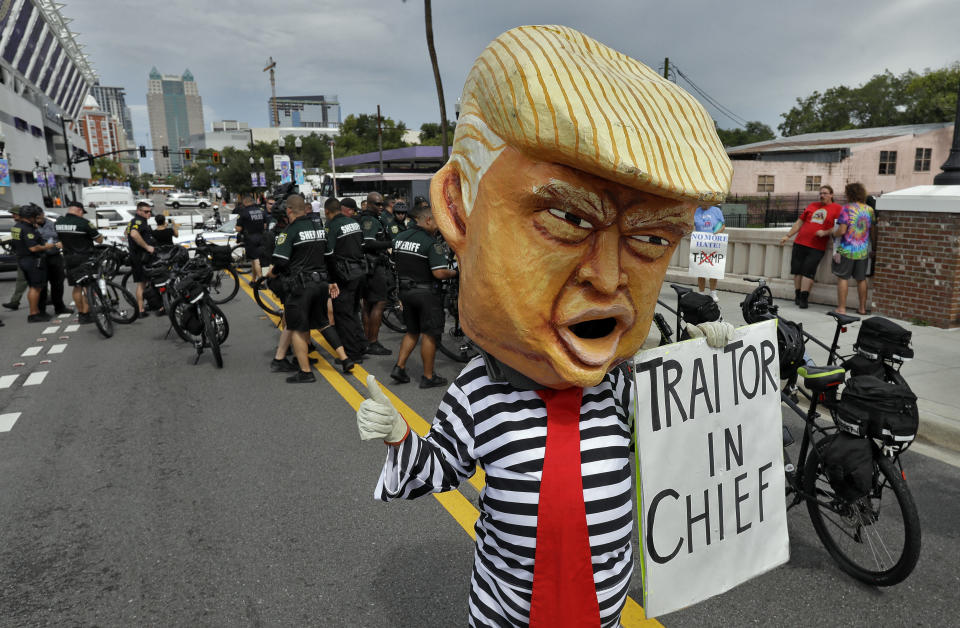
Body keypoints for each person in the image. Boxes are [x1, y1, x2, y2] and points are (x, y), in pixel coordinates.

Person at [354, 25, 734, 627]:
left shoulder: (622, 386)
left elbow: (696, 454)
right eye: (565, 217)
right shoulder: (481, 394)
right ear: (458, 207)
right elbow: (436, 469)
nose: (608, 279)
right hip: (509, 616)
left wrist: (711, 366)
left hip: (603, 613)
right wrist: (398, 437)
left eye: (652, 238)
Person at [266, 194, 354, 382]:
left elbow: (280, 261)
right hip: (321, 283)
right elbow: (329, 256)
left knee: (297, 327)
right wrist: (330, 280)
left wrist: (271, 275)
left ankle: (305, 372)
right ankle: (345, 359)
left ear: (289, 210)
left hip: (300, 287)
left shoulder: (290, 230)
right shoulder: (319, 227)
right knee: (322, 322)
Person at [389, 202, 458, 387]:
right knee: (429, 334)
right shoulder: (430, 243)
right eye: (437, 222)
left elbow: (393, 262)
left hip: (405, 292)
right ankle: (428, 376)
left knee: (412, 331)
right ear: (428, 220)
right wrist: (457, 272)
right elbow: (440, 273)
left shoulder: (400, 238)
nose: (439, 226)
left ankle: (399, 367)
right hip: (427, 295)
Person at [780, 185, 841, 309]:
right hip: (800, 242)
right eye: (821, 193)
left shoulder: (837, 208)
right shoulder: (812, 205)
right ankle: (797, 295)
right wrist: (788, 235)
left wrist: (825, 232)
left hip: (816, 247)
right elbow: (799, 222)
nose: (822, 195)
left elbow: (839, 227)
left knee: (808, 273)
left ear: (831, 195)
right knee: (797, 272)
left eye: (825, 193)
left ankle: (804, 298)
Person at [325, 197, 368, 361]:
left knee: (343, 314)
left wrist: (330, 279)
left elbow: (328, 254)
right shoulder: (354, 223)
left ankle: (352, 352)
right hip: (360, 271)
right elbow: (362, 245)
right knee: (353, 311)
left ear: (327, 211)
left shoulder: (331, 226)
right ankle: (361, 344)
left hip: (343, 275)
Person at [55, 200, 104, 324]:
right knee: (88, 286)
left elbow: (60, 241)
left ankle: (82, 314)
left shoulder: (58, 222)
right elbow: (99, 240)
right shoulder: (84, 223)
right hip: (85, 258)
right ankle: (88, 312)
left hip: (69, 259)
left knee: (77, 287)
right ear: (79, 210)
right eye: (83, 213)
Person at [832, 182, 875, 315]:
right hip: (862, 251)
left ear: (850, 194)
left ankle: (842, 308)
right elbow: (873, 231)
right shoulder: (869, 210)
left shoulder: (846, 208)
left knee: (843, 278)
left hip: (847, 250)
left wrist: (833, 233)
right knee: (861, 279)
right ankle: (862, 308)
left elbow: (842, 230)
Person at [358, 191, 392, 355]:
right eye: (377, 204)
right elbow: (369, 243)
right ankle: (372, 341)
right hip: (373, 267)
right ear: (369, 204)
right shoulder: (369, 221)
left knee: (368, 304)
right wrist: (390, 243)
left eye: (382, 204)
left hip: (369, 267)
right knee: (379, 303)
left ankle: (367, 340)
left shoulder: (370, 218)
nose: (381, 207)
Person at [10, 205, 58, 322]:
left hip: (23, 260)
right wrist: (47, 246)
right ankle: (34, 314)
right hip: (32, 260)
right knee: (35, 288)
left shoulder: (17, 227)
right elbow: (33, 248)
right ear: (29, 217)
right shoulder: (27, 229)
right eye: (34, 217)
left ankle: (35, 311)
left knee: (33, 287)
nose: (35, 219)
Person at [34, 208, 72, 315]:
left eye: (39, 217)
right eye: (36, 218)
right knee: (42, 286)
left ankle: (59, 307)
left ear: (43, 214)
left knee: (58, 284)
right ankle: (41, 311)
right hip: (40, 258)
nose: (38, 220)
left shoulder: (52, 224)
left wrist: (61, 242)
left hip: (54, 257)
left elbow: (62, 237)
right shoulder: (32, 227)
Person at [126, 201, 158, 316]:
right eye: (146, 211)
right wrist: (146, 246)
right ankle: (140, 310)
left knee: (146, 282)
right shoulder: (138, 221)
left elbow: (127, 232)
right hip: (141, 257)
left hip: (140, 256)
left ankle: (150, 304)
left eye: (150, 211)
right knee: (142, 284)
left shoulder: (137, 221)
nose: (149, 214)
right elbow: (134, 234)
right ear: (138, 211)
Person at [693, 204, 726, 301]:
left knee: (713, 269)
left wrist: (718, 232)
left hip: (714, 243)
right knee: (701, 268)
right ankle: (701, 292)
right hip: (700, 243)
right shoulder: (696, 211)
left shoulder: (716, 210)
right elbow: (691, 224)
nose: (703, 203)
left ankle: (713, 292)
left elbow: (723, 225)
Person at [236, 193, 269, 282]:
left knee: (255, 259)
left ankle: (260, 282)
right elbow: (265, 225)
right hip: (261, 237)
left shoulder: (243, 212)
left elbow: (238, 228)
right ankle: (253, 280)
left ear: (245, 202)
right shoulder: (261, 210)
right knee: (255, 259)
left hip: (250, 238)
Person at [2, 206, 29, 311]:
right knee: (30, 281)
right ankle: (15, 301)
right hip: (23, 258)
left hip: (27, 258)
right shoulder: (19, 226)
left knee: (25, 280)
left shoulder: (24, 226)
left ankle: (15, 302)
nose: (13, 216)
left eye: (14, 214)